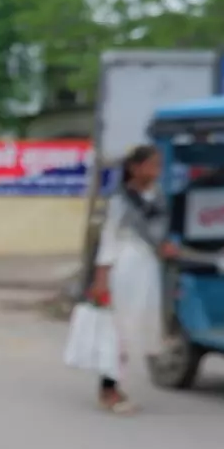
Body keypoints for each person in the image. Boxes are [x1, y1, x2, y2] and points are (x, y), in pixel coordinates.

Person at [88, 144, 170, 413]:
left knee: (136, 328)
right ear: (134, 168)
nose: (156, 171)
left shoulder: (157, 197)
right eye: (151, 165)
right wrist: (101, 279)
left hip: (147, 269)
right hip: (124, 269)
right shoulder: (121, 199)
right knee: (118, 330)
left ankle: (116, 385)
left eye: (159, 165)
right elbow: (109, 238)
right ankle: (108, 389)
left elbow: (159, 233)